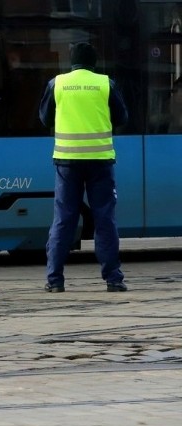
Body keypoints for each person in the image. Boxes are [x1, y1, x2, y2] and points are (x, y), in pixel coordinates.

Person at [39, 42, 129, 293]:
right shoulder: (105, 84)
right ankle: (113, 279)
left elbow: (44, 118)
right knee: (105, 219)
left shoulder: (57, 84)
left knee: (63, 219)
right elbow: (122, 118)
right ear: (94, 63)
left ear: (72, 62)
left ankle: (55, 281)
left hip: (66, 163)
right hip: (100, 161)